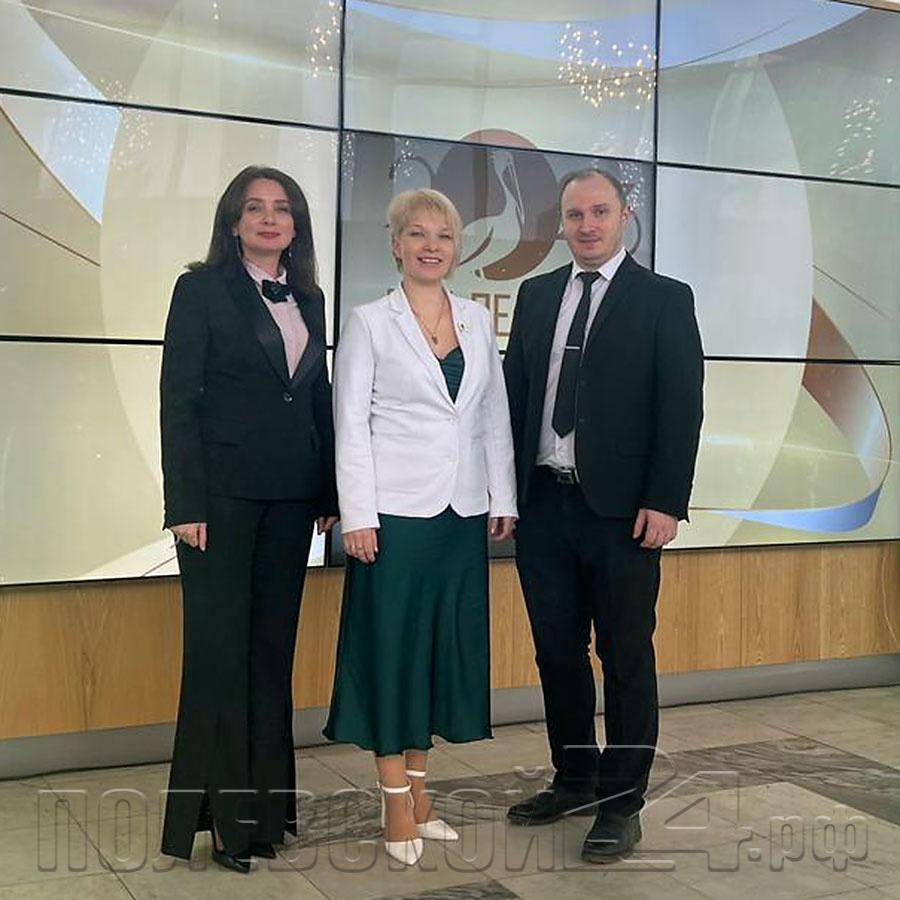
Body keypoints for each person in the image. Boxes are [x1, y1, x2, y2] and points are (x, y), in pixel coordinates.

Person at [503, 169, 704, 862]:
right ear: (560, 222)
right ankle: (574, 779)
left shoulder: (664, 299)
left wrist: (666, 499)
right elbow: (514, 398)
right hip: (543, 504)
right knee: (556, 653)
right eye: (574, 215)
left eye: (599, 212)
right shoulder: (535, 295)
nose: (586, 225)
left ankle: (622, 804)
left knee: (625, 658)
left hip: (623, 515)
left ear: (624, 215)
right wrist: (503, 495)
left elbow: (681, 406)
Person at [323, 188, 517, 866]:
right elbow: (350, 423)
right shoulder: (369, 322)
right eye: (417, 234)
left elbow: (492, 415)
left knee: (438, 652)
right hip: (394, 517)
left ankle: (422, 791)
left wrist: (503, 496)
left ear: (457, 248)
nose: (431, 245)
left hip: (461, 514)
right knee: (393, 652)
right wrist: (358, 514)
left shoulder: (475, 319)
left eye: (443, 235)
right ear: (396, 244)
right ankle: (394, 800)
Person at [159, 165, 338, 873]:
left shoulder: (309, 297)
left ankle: (266, 816)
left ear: (296, 226)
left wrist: (331, 493)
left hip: (292, 498)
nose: (269, 218)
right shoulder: (200, 289)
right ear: (233, 221)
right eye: (255, 207)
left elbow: (317, 397)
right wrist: (185, 504)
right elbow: (178, 400)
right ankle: (226, 826)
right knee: (219, 655)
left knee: (270, 653)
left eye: (282, 208)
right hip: (220, 502)